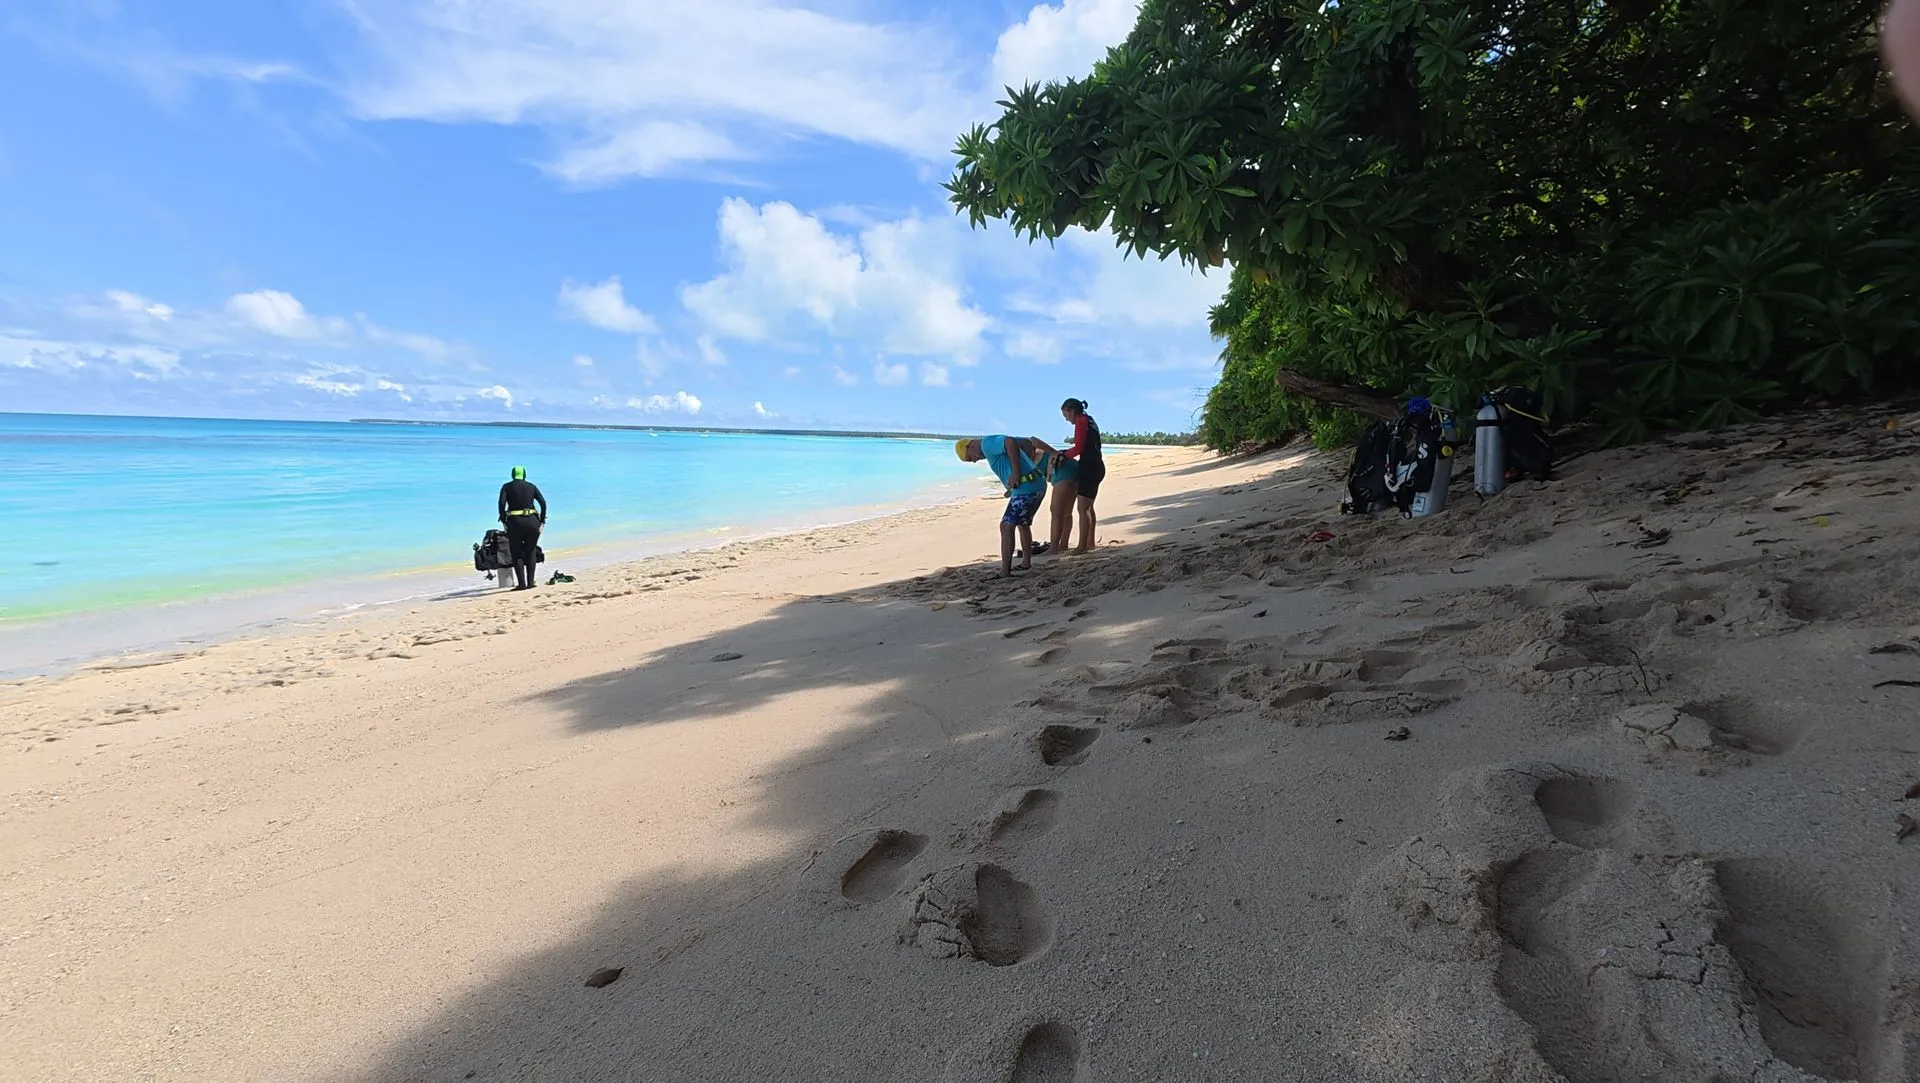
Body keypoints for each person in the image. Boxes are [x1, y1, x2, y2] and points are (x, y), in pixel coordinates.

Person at [957, 435, 1056, 576]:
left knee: (1006, 526)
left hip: (1028, 488)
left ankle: (1005, 571)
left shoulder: (987, 444)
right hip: (1034, 484)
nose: (974, 461)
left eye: (970, 458)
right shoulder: (989, 448)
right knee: (1022, 524)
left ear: (969, 446)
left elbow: (1010, 442)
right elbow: (1020, 449)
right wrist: (1011, 487)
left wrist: (1016, 473)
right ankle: (1026, 562)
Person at [1055, 398, 1105, 554]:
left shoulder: (1081, 422)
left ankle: (1082, 546)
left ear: (1072, 411)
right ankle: (1090, 543)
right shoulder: (1089, 420)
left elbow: (1078, 448)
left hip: (1089, 468)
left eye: (1066, 415)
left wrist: (1062, 455)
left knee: (1083, 508)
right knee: (1088, 507)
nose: (1066, 419)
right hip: (1096, 466)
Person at [496, 465, 548, 590]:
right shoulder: (532, 486)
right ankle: (531, 582)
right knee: (530, 551)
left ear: (512, 475)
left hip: (515, 523)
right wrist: (542, 520)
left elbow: (501, 504)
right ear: (524, 475)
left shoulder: (506, 487)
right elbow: (543, 503)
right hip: (532, 522)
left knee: (516, 552)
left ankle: (521, 584)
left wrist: (503, 520)